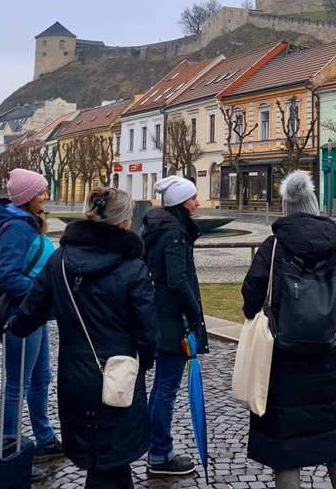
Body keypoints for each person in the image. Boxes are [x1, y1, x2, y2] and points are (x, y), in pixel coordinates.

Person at [8, 187, 159, 489]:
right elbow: (147, 328)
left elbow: (32, 310)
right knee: (111, 457)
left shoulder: (60, 260)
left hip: (76, 373)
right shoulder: (132, 266)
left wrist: (11, 325)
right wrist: (148, 357)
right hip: (118, 372)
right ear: (124, 223)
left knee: (105, 460)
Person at [241, 170, 336, 489]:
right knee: (334, 437)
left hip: (281, 357)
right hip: (326, 356)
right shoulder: (335, 247)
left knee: (285, 446)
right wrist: (324, 326)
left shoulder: (274, 246)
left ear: (286, 207)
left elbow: (251, 295)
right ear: (314, 204)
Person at [0, 168, 62, 465]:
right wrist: (40, 293)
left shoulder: (29, 224)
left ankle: (44, 438)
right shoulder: (16, 229)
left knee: (41, 378)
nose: (46, 196)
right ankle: (11, 449)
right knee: (17, 384)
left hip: (36, 315)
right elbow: (8, 276)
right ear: (26, 196)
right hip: (20, 317)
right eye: (41, 192)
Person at [142, 175, 208, 476]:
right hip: (173, 321)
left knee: (160, 388)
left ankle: (155, 446)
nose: (197, 203)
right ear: (182, 202)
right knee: (166, 388)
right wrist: (195, 316)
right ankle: (160, 454)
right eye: (193, 198)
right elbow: (179, 281)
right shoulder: (175, 235)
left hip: (161, 315)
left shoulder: (160, 228)